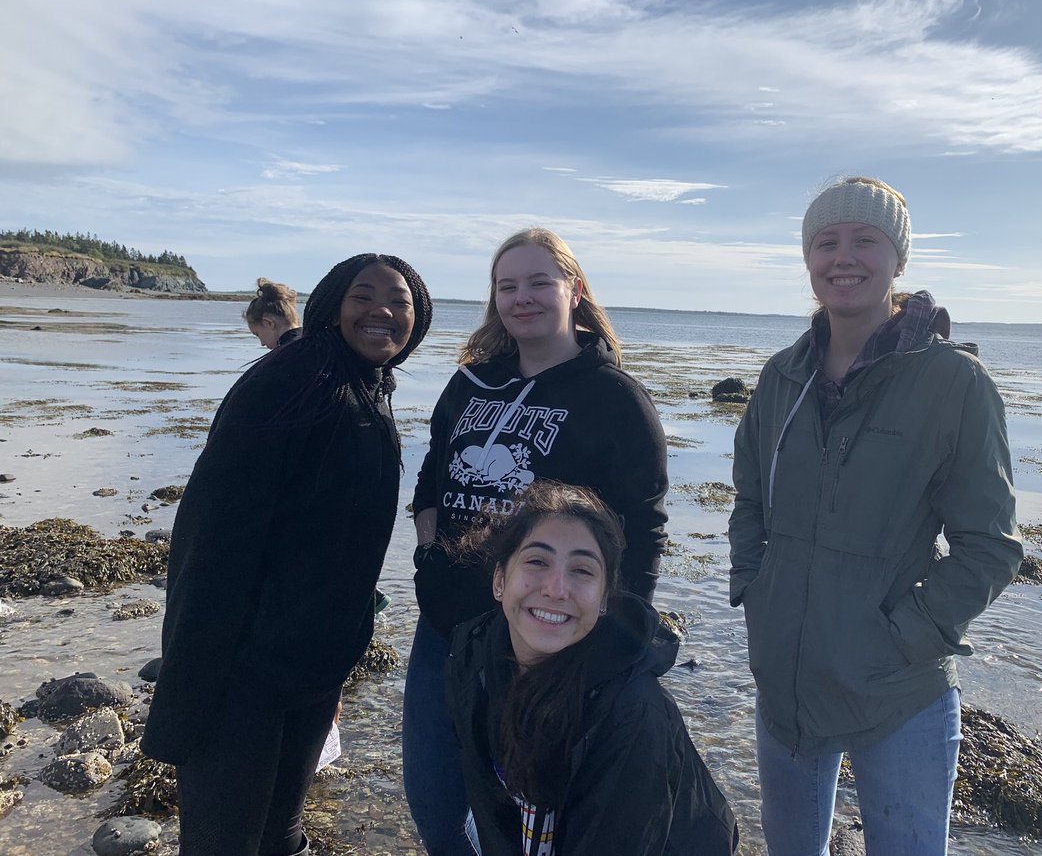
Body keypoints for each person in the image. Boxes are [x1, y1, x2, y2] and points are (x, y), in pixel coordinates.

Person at [728, 177, 1023, 855]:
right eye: (826, 242)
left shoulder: (954, 383)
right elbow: (749, 502)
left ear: (899, 258)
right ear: (808, 258)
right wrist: (757, 592)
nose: (843, 257)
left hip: (899, 692)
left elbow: (990, 547)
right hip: (786, 683)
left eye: (866, 239)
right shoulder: (781, 377)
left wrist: (903, 637)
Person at [141, 253, 432, 856]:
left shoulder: (364, 383)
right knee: (223, 841)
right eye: (363, 296)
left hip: (311, 662)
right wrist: (194, 666)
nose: (382, 310)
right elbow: (211, 531)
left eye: (399, 301)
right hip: (242, 664)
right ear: (330, 305)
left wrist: (340, 653)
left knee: (281, 831)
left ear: (418, 318)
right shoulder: (292, 380)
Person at [406, 227, 669, 854]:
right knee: (436, 803)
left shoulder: (615, 398)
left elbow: (643, 527)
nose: (521, 298)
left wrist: (618, 634)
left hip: (545, 641)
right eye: (507, 286)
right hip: (446, 629)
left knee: (529, 821)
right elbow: (432, 477)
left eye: (538, 283)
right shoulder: (469, 383)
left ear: (574, 291)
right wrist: (429, 556)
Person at [446, 481, 739, 855]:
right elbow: (492, 816)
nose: (556, 589)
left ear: (604, 600)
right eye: (537, 561)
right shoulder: (472, 659)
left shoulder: (633, 712)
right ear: (500, 580)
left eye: (582, 570)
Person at [244, 276, 302, 349]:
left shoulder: (283, 354)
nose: (262, 344)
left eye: (258, 334)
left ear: (268, 323)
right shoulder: (313, 343)